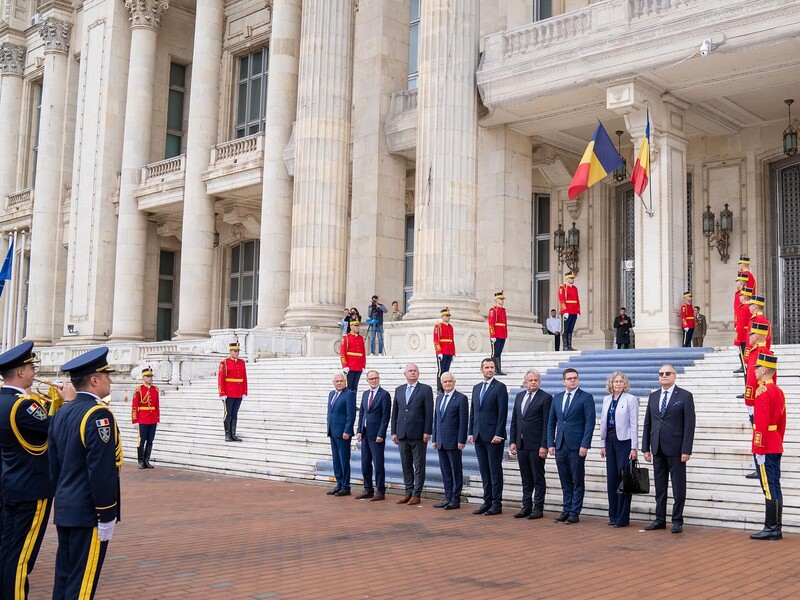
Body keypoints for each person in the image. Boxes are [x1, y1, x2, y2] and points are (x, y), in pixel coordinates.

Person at [0, 341, 74, 600]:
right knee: (22, 556)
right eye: (31, 367)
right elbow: (57, 429)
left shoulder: (4, 400)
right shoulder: (23, 405)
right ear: (20, 372)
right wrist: (69, 404)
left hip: (11, 483)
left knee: (8, 550)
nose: (34, 372)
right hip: (32, 487)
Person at [50, 347, 122, 600]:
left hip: (66, 505)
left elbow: (54, 465)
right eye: (106, 375)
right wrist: (106, 513)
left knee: (64, 578)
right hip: (88, 511)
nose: (110, 380)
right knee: (82, 584)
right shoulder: (98, 414)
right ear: (94, 380)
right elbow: (101, 470)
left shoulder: (62, 411)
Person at [642, 364, 696, 534]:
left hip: (676, 448)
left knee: (678, 486)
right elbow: (648, 423)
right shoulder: (654, 396)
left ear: (674, 376)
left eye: (667, 373)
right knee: (660, 486)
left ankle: (677, 520)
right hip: (657, 447)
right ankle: (659, 519)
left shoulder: (685, 396)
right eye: (661, 374)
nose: (664, 376)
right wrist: (645, 448)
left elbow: (689, 425)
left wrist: (686, 449)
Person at [547, 368, 595, 524]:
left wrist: (585, 444)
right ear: (564, 381)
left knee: (577, 480)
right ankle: (566, 509)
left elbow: (590, 423)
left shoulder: (586, 398)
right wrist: (550, 443)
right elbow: (551, 422)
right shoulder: (557, 398)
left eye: (575, 378)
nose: (572, 380)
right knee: (565, 480)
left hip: (577, 446)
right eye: (569, 378)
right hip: (560, 444)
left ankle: (575, 512)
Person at [749, 350, 785, 541]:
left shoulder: (762, 393)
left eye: (757, 368)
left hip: (765, 446)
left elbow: (761, 424)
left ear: (764, 369)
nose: (754, 371)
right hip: (775, 443)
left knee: (768, 487)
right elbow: (782, 423)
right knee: (775, 485)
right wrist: (777, 440)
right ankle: (776, 527)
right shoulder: (778, 391)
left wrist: (759, 449)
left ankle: (771, 527)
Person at [509, 369, 552, 520]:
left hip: (537, 446)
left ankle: (538, 508)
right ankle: (526, 506)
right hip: (521, 444)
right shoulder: (520, 396)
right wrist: (513, 441)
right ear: (525, 382)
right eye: (530, 380)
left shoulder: (546, 398)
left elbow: (548, 424)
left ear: (539, 382)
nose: (533, 382)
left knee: (538, 478)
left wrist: (544, 445)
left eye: (536, 380)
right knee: (526, 478)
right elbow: (515, 420)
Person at [468, 358, 509, 516]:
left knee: (494, 470)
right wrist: (471, 431)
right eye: (486, 367)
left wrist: (499, 433)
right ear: (481, 370)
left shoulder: (499, 387)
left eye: (492, 367)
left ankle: (496, 503)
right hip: (478, 435)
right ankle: (487, 501)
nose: (490, 370)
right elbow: (474, 412)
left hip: (494, 437)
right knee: (484, 471)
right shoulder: (476, 388)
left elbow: (502, 413)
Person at [599, 371, 639, 527]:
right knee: (612, 480)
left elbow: (634, 424)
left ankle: (622, 518)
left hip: (624, 442)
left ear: (625, 384)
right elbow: (603, 422)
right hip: (610, 441)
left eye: (621, 381)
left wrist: (634, 447)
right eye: (615, 381)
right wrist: (602, 444)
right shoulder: (606, 399)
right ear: (611, 383)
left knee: (624, 480)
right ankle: (613, 515)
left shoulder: (631, 399)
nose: (618, 384)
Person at [391, 364, 433, 505]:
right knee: (406, 465)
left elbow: (429, 412)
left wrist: (427, 431)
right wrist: (393, 432)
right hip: (402, 433)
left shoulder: (426, 389)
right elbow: (395, 412)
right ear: (405, 374)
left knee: (419, 465)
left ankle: (417, 494)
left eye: (415, 371)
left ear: (418, 373)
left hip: (419, 434)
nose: (413, 373)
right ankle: (408, 492)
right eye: (410, 371)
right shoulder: (399, 390)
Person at [432, 372, 468, 510]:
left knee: (455, 470)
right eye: (445, 382)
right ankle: (447, 496)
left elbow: (463, 421)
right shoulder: (439, 399)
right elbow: (436, 420)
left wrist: (461, 440)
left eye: (450, 381)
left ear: (454, 382)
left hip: (454, 441)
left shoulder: (461, 398)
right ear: (441, 383)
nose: (447, 384)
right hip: (441, 441)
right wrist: (435, 438)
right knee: (445, 470)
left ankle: (455, 498)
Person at [355, 370, 391, 501]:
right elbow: (362, 414)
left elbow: (385, 416)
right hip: (365, 435)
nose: (373, 380)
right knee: (365, 464)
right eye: (371, 379)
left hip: (377, 436)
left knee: (378, 464)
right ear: (367, 381)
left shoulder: (384, 395)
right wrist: (359, 431)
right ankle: (368, 489)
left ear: (379, 379)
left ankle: (380, 491)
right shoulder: (365, 394)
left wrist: (381, 433)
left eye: (375, 378)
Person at [326, 372, 356, 497]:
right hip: (333, 431)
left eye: (341, 381)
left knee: (344, 460)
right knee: (336, 460)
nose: (339, 383)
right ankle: (339, 483)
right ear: (333, 383)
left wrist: (347, 431)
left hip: (343, 433)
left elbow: (351, 415)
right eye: (337, 381)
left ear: (345, 382)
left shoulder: (349, 394)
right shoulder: (331, 394)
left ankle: (346, 486)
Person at [218, 341, 247, 442]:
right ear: (230, 351)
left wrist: (244, 391)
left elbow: (244, 378)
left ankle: (233, 434)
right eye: (235, 351)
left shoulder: (241, 363)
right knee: (228, 414)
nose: (237, 353)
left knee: (235, 414)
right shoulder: (224, 363)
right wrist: (222, 393)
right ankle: (227, 435)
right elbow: (221, 379)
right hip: (228, 393)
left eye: (238, 351)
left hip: (238, 393)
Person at [132, 365, 160, 469]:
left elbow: (157, 405)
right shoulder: (139, 389)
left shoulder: (155, 389)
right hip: (142, 418)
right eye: (148, 376)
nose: (150, 378)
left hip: (152, 418)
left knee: (150, 440)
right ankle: (140, 461)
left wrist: (157, 418)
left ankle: (147, 460)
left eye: (151, 376)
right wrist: (135, 420)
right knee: (141, 440)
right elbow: (135, 406)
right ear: (143, 377)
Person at [340, 319, 366, 394]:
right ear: (351, 326)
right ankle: (348, 404)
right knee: (349, 386)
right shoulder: (346, 338)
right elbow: (342, 353)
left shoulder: (361, 338)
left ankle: (353, 404)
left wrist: (363, 365)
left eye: (358, 326)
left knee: (355, 386)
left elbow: (363, 353)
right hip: (350, 366)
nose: (357, 327)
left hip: (358, 366)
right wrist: (344, 365)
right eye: (355, 326)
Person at [433, 308, 456, 393]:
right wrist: (438, 352)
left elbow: (452, 340)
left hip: (449, 351)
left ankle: (445, 387)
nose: (448, 317)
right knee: (441, 370)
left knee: (446, 370)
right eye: (446, 316)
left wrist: (453, 353)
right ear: (442, 316)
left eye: (449, 316)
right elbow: (436, 340)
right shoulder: (438, 326)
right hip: (442, 351)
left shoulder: (450, 327)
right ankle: (439, 388)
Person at [733, 284, 754, 375]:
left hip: (743, 336)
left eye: (741, 295)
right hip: (751, 335)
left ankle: (744, 368)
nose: (739, 297)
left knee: (743, 355)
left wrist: (737, 340)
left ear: (745, 296)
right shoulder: (752, 307)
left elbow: (741, 325)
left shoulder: (743, 308)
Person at [558, 272, 581, 351]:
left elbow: (577, 300)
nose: (572, 280)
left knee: (571, 329)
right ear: (567, 279)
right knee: (566, 329)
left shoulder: (575, 288)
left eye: (573, 278)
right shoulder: (563, 287)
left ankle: (569, 346)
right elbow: (562, 300)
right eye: (571, 278)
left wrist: (578, 311)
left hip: (574, 311)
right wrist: (565, 311)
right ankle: (565, 346)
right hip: (567, 311)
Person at [487, 291, 508, 375]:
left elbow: (504, 323)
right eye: (501, 299)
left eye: (503, 299)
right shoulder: (493, 310)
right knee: (494, 353)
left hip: (502, 334)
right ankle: (493, 369)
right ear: (496, 300)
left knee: (499, 353)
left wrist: (505, 334)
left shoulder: (503, 310)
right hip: (496, 334)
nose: (502, 300)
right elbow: (491, 323)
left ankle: (499, 369)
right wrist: (492, 335)